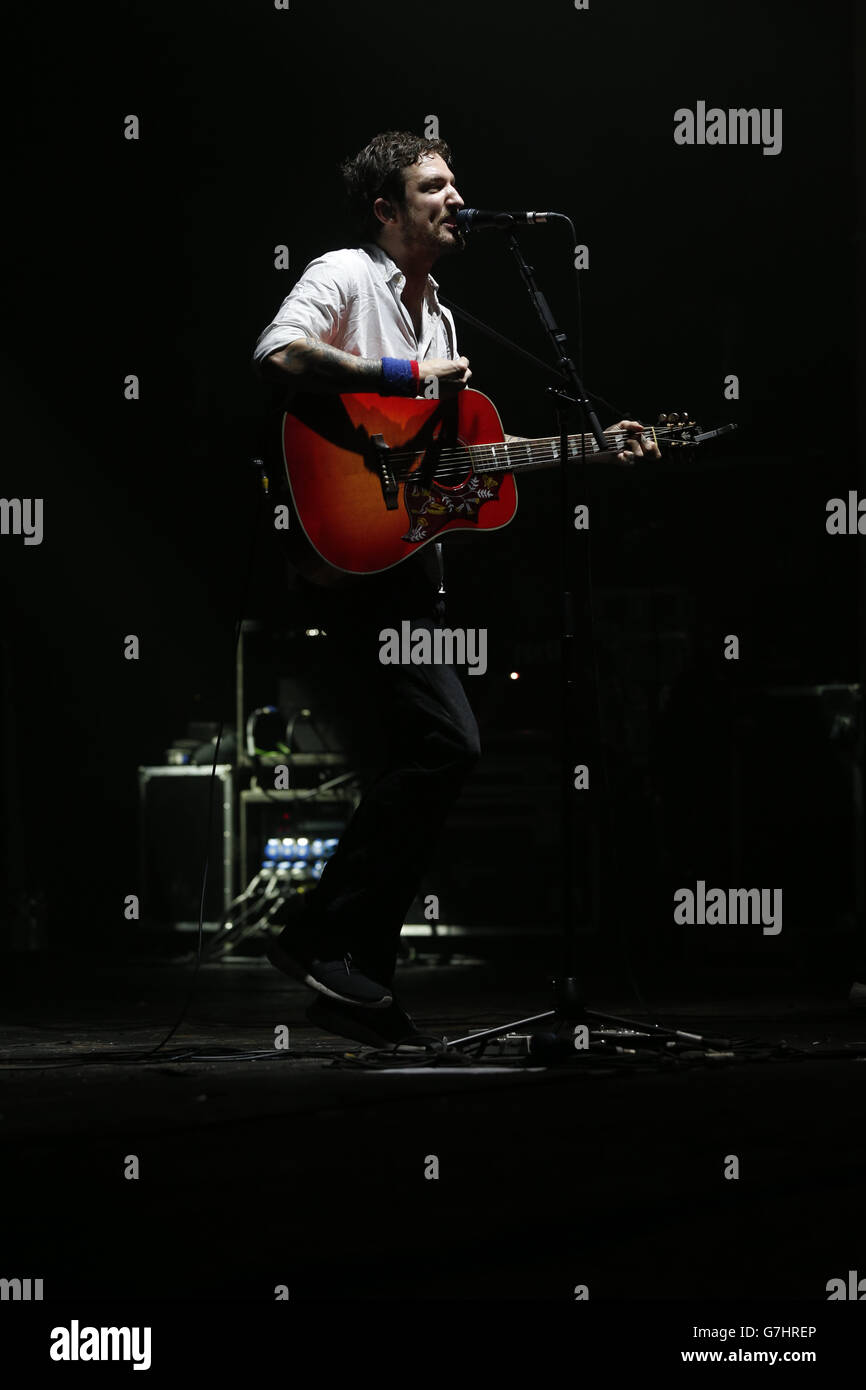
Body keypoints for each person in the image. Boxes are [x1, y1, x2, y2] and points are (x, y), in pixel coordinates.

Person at [252, 130, 658, 1048]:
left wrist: (583, 447)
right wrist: (399, 372)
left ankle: (356, 982)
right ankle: (319, 937)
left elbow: (428, 470)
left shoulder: (444, 317)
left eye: (455, 183)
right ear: (386, 210)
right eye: (431, 186)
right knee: (445, 744)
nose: (454, 197)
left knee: (425, 756)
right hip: (347, 562)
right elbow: (279, 355)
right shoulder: (346, 276)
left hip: (403, 569)